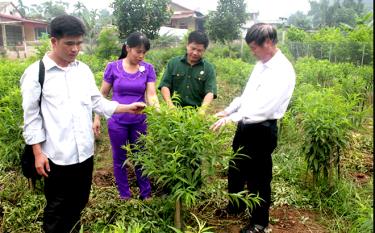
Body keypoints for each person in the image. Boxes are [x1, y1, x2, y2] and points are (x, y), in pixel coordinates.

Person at [20, 15, 146, 233]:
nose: (75, 49)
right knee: (57, 209)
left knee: (78, 203)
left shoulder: (83, 70)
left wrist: (127, 107)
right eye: (69, 43)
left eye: (79, 43)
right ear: (53, 41)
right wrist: (38, 153)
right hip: (56, 156)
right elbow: (31, 118)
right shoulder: (35, 74)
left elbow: (96, 102)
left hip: (85, 154)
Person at [210, 23, 296, 233]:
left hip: (263, 130)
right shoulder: (261, 64)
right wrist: (228, 111)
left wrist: (232, 119)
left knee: (259, 177)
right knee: (236, 169)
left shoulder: (282, 71)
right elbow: (247, 95)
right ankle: (236, 206)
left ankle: (260, 223)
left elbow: (264, 108)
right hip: (246, 125)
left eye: (254, 48)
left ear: (268, 43)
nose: (252, 52)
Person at [92, 32, 159, 201]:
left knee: (141, 157)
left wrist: (159, 114)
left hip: (139, 121)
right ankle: (124, 195)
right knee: (119, 157)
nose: (141, 55)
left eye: (144, 52)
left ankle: (146, 193)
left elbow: (151, 95)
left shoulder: (148, 68)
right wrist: (97, 118)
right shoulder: (113, 67)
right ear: (127, 48)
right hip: (117, 121)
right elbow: (102, 95)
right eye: (138, 51)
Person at [158, 30, 217, 112]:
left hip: (195, 114)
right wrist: (170, 105)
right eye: (193, 48)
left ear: (204, 50)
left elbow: (210, 92)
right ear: (187, 45)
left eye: (199, 50)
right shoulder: (173, 63)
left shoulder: (208, 68)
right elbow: (165, 85)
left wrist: (202, 110)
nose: (195, 53)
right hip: (173, 112)